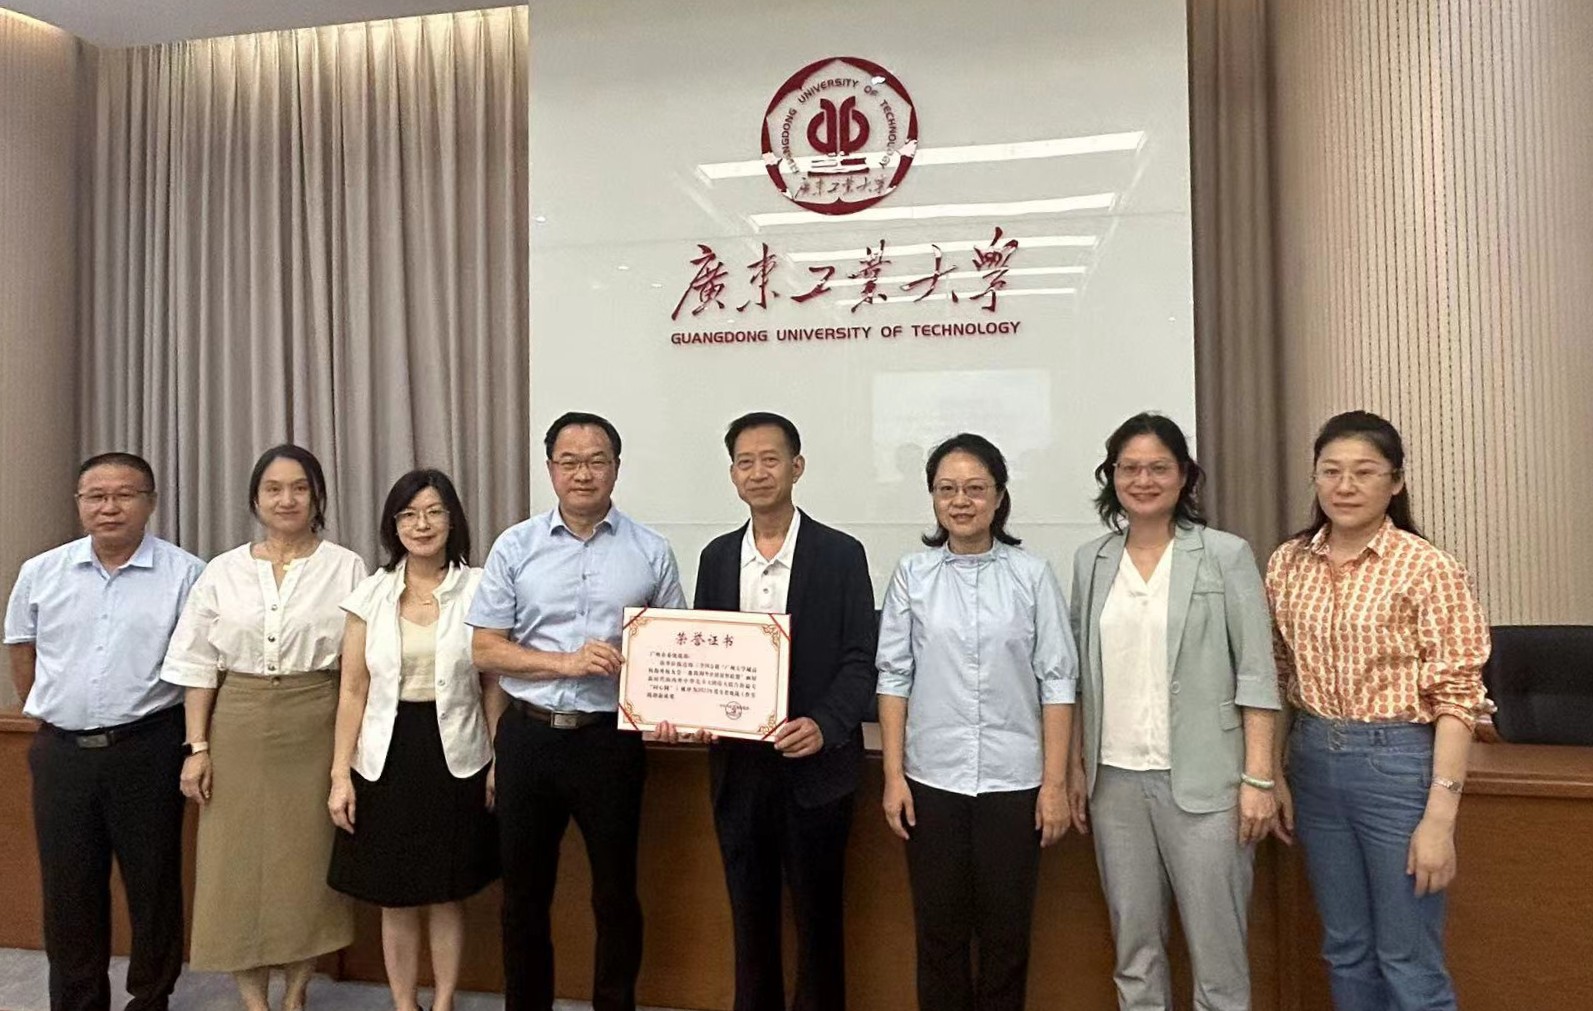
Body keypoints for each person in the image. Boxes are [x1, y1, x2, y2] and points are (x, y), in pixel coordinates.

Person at [1267, 411, 1491, 1011]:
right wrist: (1273, 772)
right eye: (1331, 471)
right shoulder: (1287, 563)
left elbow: (1458, 698)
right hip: (1312, 760)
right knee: (1345, 949)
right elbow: (1279, 675)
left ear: (1395, 482)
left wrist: (1439, 819)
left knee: (1407, 958)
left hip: (1398, 768)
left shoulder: (1428, 567)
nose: (1345, 486)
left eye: (1364, 472)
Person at [469, 411, 687, 1011]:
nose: (583, 473)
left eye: (596, 461)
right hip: (529, 738)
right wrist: (565, 663)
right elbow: (484, 648)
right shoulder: (515, 545)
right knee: (523, 895)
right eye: (569, 462)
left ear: (616, 468)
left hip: (607, 743)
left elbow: (673, 648)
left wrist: (672, 707)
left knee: (616, 894)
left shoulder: (651, 550)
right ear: (550, 470)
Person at [1066, 413, 1279, 1010]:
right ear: (1112, 477)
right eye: (1129, 468)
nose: (1143, 480)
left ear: (1184, 476)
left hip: (1208, 784)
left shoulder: (1225, 554)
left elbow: (1257, 672)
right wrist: (1077, 766)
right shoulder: (1091, 560)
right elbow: (1080, 675)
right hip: (1115, 784)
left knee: (1219, 957)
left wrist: (1259, 777)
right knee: (1134, 953)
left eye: (1158, 468)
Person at [875, 432, 1077, 1011]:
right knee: (938, 936)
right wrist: (893, 777)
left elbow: (1058, 680)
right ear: (933, 499)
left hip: (1015, 784)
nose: (960, 501)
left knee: (1006, 937)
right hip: (931, 781)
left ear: (999, 496)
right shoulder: (913, 574)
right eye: (946, 490)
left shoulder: (1031, 574)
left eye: (975, 488)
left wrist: (1055, 784)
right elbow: (893, 676)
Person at [161, 444, 366, 1011]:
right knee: (234, 865)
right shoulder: (222, 571)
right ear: (255, 499)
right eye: (273, 489)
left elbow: (359, 666)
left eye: (299, 488)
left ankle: (296, 992)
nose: (286, 499)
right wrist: (198, 747)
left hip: (316, 719)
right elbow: (198, 665)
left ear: (317, 497)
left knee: (305, 866)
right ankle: (254, 1001)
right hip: (238, 723)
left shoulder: (347, 566)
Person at [684, 412, 876, 1011]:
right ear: (733, 476)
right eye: (745, 462)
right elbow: (701, 657)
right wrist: (686, 711)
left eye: (771, 459)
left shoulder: (841, 554)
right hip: (739, 771)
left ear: (797, 467)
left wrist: (824, 724)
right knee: (749, 921)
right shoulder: (717, 557)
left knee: (819, 924)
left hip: (816, 770)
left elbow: (861, 659)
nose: (758, 472)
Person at [4, 453, 203, 1011]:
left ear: (151, 503)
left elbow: (199, 666)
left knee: (153, 885)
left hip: (148, 746)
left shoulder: (187, 574)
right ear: (79, 504)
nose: (109, 507)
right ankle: (77, 1001)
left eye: (123, 495)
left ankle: (151, 998)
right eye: (95, 496)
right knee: (68, 888)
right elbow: (22, 649)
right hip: (62, 752)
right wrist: (51, 711)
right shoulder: (41, 571)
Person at [327, 469, 501, 1011]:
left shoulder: (480, 589)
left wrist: (498, 760)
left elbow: (494, 683)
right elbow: (353, 689)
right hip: (386, 753)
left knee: (447, 892)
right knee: (395, 895)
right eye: (408, 514)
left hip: (457, 751)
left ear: (453, 520)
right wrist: (339, 775)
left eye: (433, 512)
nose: (421, 525)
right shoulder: (370, 594)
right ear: (393, 524)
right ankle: (404, 1003)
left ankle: (443, 1001)